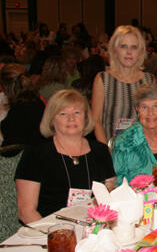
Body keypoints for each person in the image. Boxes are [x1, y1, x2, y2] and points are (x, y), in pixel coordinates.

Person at [15, 89, 115, 223]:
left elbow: (110, 196)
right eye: (63, 114)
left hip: (93, 229)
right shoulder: (36, 154)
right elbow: (26, 212)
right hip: (49, 232)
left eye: (77, 112)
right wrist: (55, 235)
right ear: (52, 120)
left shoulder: (100, 151)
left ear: (86, 118)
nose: (71, 118)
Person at [91, 25, 154, 144]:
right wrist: (106, 152)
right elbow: (96, 120)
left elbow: (153, 119)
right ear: (114, 50)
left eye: (134, 47)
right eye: (123, 46)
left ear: (140, 52)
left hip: (142, 149)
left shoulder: (149, 80)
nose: (129, 52)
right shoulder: (102, 80)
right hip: (110, 150)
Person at [1, 73, 45, 154]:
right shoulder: (38, 102)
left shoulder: (18, 109)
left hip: (22, 155)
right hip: (38, 151)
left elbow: (13, 142)